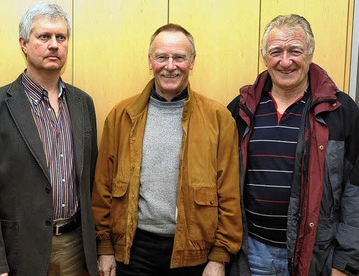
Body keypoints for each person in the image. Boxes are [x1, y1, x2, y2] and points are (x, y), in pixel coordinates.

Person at [92, 23, 242, 276]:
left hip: (195, 255)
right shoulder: (121, 116)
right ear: (150, 61)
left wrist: (219, 257)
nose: (170, 66)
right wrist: (105, 247)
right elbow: (103, 187)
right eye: (162, 57)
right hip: (134, 252)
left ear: (192, 62)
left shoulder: (218, 118)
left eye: (179, 57)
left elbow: (228, 192)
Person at [0, 2, 98, 275]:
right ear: (24, 44)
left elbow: (90, 178)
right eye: (44, 37)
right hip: (19, 250)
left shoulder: (83, 103)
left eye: (61, 38)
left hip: (76, 247)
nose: (54, 45)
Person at [227, 14, 359, 276]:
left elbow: (355, 194)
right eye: (276, 51)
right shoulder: (241, 109)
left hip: (316, 257)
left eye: (295, 51)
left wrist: (345, 262)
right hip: (251, 255)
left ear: (310, 52)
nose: (285, 61)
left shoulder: (341, 111)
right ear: (264, 55)